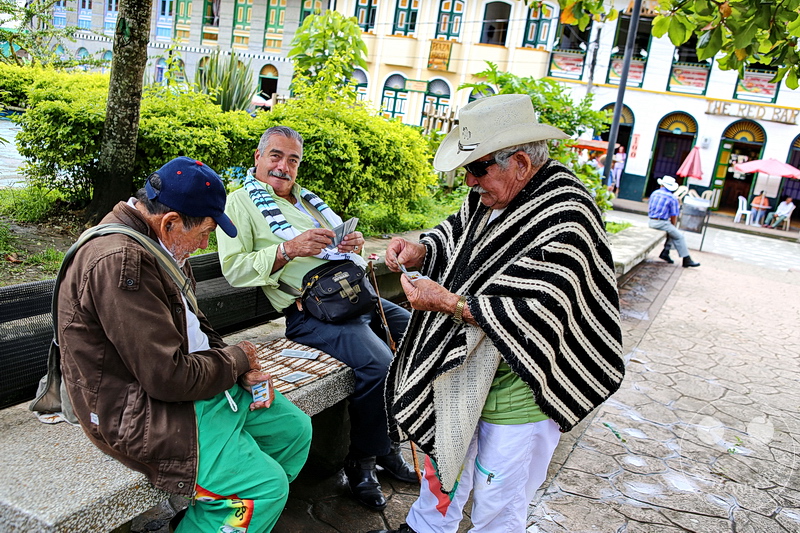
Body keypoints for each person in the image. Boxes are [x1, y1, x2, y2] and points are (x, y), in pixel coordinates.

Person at [371, 94, 626, 533]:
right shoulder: (489, 197)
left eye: (477, 167)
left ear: (521, 163)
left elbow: (541, 308)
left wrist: (447, 302)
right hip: (462, 368)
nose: (469, 181)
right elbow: (458, 237)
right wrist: (423, 250)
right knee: (443, 469)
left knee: (499, 502)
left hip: (518, 385)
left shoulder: (567, 214)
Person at [57, 156, 312, 532]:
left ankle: (213, 516)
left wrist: (238, 366)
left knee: (293, 431)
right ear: (171, 221)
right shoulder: (123, 261)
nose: (206, 244)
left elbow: (195, 323)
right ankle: (227, 512)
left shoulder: (162, 243)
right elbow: (167, 377)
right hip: (141, 410)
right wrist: (236, 360)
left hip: (192, 383)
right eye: (205, 233)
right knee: (263, 490)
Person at [217, 126, 416, 511]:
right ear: (258, 157)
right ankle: (363, 459)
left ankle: (388, 444)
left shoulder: (308, 202)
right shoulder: (239, 203)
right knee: (379, 363)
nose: (283, 166)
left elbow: (340, 252)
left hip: (352, 295)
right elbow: (235, 269)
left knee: (416, 335)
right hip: (312, 312)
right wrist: (288, 249)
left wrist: (354, 245)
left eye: (292, 160)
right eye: (275, 156)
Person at [649, 175, 700, 268]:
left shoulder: (654, 193)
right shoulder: (672, 198)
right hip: (661, 223)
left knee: (672, 232)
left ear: (662, 185)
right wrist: (673, 226)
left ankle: (666, 252)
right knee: (679, 236)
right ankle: (686, 259)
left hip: (651, 221)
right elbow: (674, 216)